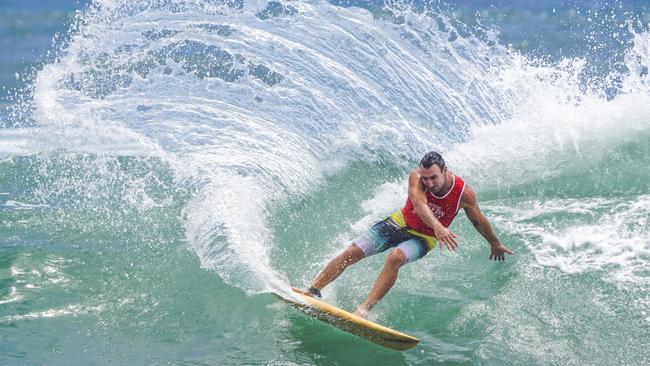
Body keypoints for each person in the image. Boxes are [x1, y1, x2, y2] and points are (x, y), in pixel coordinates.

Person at [299, 151, 513, 318]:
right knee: (353, 251)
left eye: (433, 178)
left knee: (396, 257)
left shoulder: (463, 194)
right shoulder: (416, 177)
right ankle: (313, 290)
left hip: (423, 238)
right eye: (425, 177)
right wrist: (439, 226)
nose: (428, 183)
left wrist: (494, 243)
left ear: (445, 171)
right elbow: (419, 205)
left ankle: (364, 310)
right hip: (399, 222)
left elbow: (478, 219)